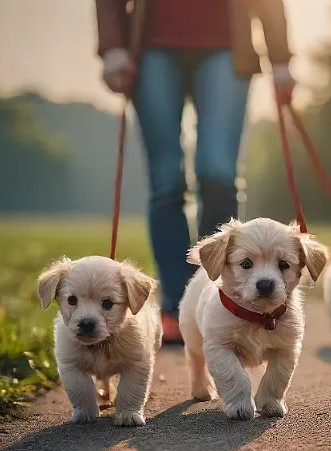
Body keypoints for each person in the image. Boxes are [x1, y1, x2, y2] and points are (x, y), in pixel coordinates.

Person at [95, 0, 295, 343]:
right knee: (166, 180)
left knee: (217, 171)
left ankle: (218, 297)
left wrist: (280, 58)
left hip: (228, 44)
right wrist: (113, 46)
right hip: (153, 46)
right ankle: (174, 305)